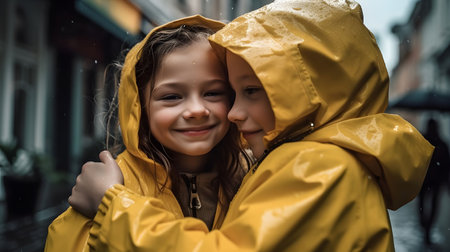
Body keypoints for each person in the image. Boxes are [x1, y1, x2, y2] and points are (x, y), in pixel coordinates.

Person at [67, 1, 434, 251]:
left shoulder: (315, 166)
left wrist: (111, 206)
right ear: (139, 105)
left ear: (307, 92)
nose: (231, 112)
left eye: (232, 92)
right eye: (171, 97)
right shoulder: (279, 165)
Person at [44, 15, 250, 251]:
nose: (196, 110)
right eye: (171, 96)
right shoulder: (116, 183)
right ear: (140, 108)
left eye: (213, 92)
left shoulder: (252, 177)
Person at [418, 118, 450, 245]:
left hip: (424, 180)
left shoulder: (422, 141)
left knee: (423, 206)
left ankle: (426, 226)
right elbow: (447, 166)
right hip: (433, 181)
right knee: (432, 206)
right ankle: (427, 227)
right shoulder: (441, 143)